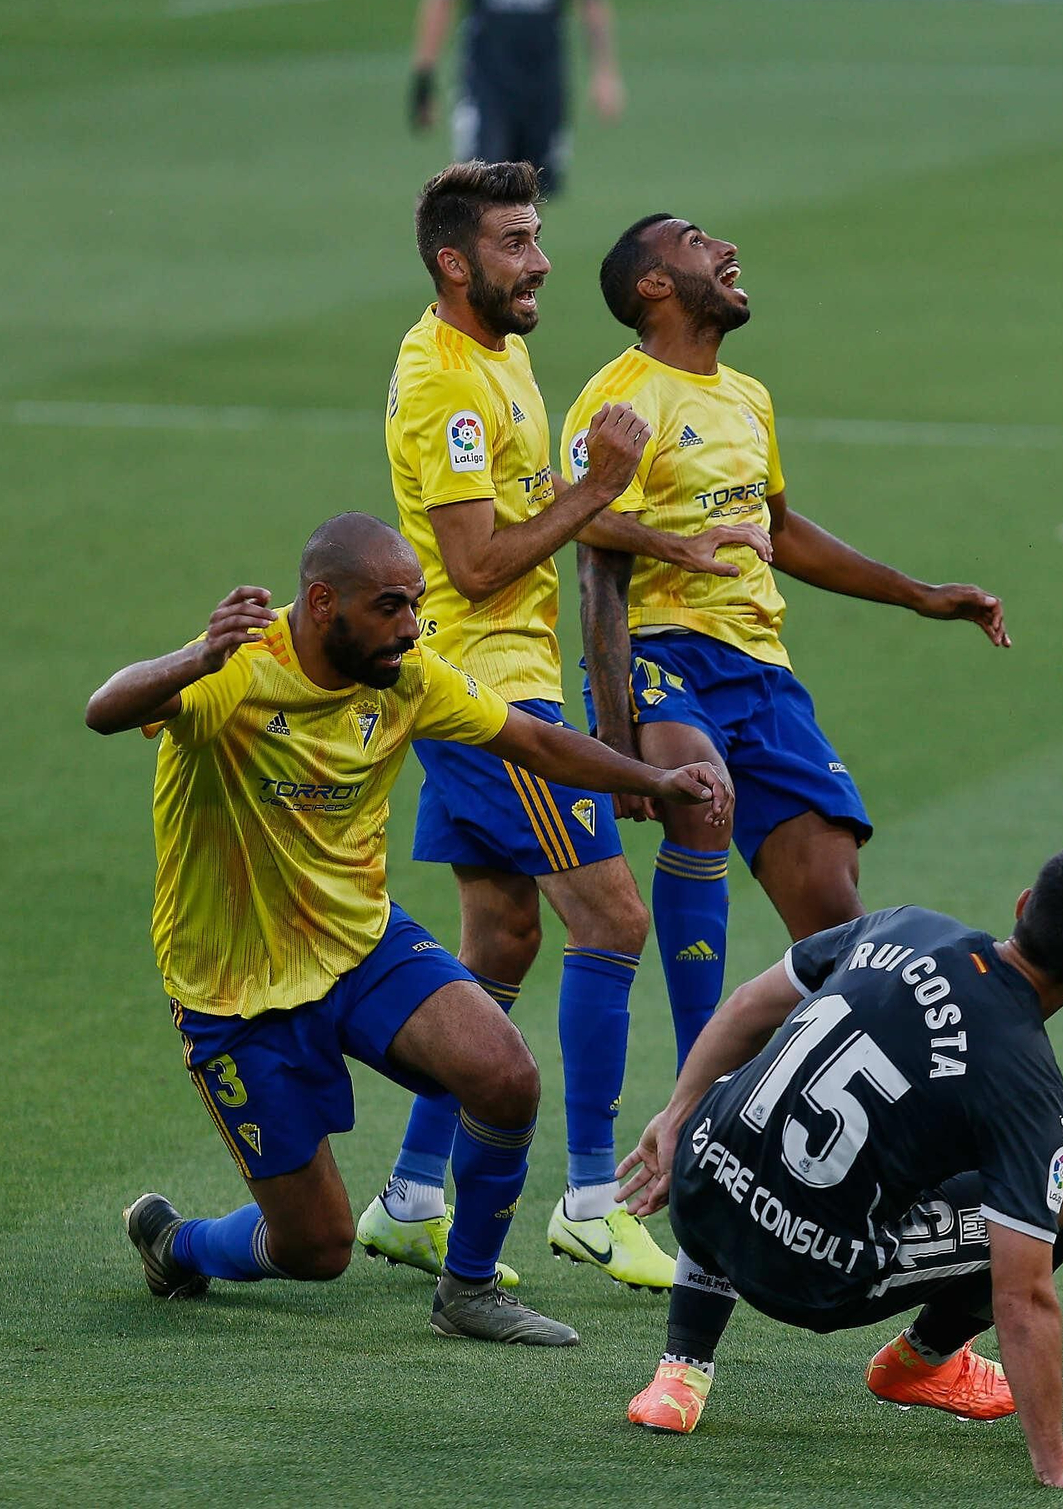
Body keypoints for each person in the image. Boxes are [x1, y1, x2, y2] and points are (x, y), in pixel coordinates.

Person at [89, 513, 730, 1343]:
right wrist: (194, 657)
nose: (409, 627)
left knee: (506, 1075)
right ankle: (180, 1243)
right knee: (315, 1247)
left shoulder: (408, 675)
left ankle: (468, 1291)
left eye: (416, 605)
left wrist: (656, 779)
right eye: (391, 607)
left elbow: (533, 738)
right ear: (323, 604)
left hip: (360, 944)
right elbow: (106, 709)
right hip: (234, 986)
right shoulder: (237, 673)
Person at [359, 161, 768, 1293]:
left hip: (497, 670)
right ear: (456, 262)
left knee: (500, 939)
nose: (539, 262)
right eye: (515, 243)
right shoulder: (443, 378)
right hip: (486, 691)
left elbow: (536, 513)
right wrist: (604, 486)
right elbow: (476, 561)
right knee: (612, 916)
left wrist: (661, 537)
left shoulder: (502, 349)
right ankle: (593, 1199)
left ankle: (409, 1197)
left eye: (537, 238)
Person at [565, 213, 1009, 1076]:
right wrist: (613, 740)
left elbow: (780, 530)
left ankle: (827, 1091)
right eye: (697, 242)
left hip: (760, 671)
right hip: (663, 651)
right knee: (702, 793)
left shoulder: (747, 396)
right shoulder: (617, 402)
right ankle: (698, 1083)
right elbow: (596, 562)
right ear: (653, 285)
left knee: (839, 925)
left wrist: (919, 595)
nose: (727, 249)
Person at [613, 841, 1063, 1492]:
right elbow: (1024, 1296)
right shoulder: (1027, 1087)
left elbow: (745, 1008)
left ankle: (682, 1365)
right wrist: (1058, 1466)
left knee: (758, 1077)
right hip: (806, 1277)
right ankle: (923, 1362)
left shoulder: (908, 924)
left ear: (1024, 905)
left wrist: (675, 1116)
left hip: (697, 1187)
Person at [407, 0, 621, 195]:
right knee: (480, 188)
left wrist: (605, 74)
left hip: (545, 85)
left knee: (531, 194)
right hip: (486, 85)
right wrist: (424, 81)